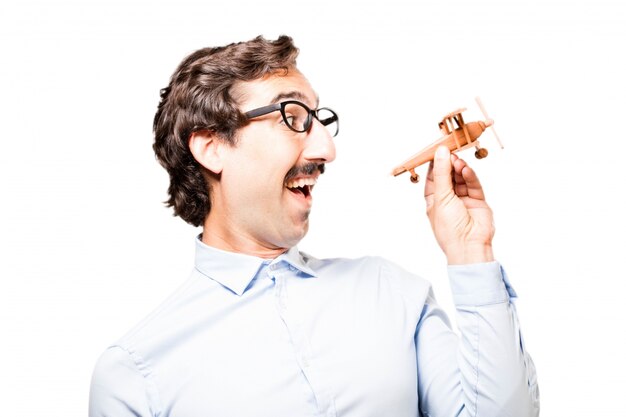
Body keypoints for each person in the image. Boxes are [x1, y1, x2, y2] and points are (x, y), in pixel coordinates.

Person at [89, 35, 539, 417]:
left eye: (321, 121)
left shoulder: (393, 293)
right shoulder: (134, 373)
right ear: (212, 148)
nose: (326, 148)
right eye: (294, 118)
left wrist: (470, 253)